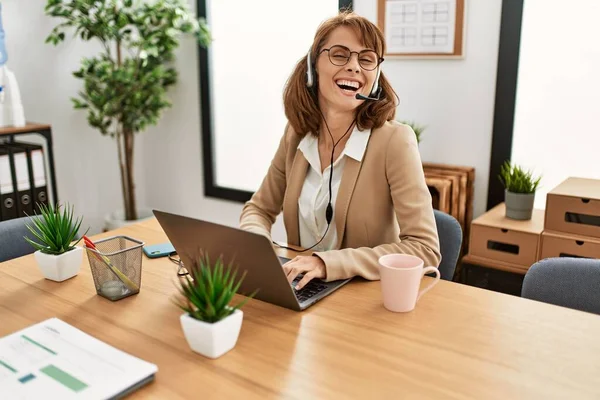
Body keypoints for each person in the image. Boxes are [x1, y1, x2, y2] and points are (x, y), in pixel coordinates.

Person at [239, 11, 441, 290]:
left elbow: (424, 248)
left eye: (366, 59)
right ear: (313, 66)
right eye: (339, 54)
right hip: (301, 287)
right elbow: (258, 209)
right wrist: (257, 249)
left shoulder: (395, 141)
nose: (354, 67)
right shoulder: (296, 135)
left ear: (376, 75)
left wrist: (325, 263)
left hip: (363, 300)